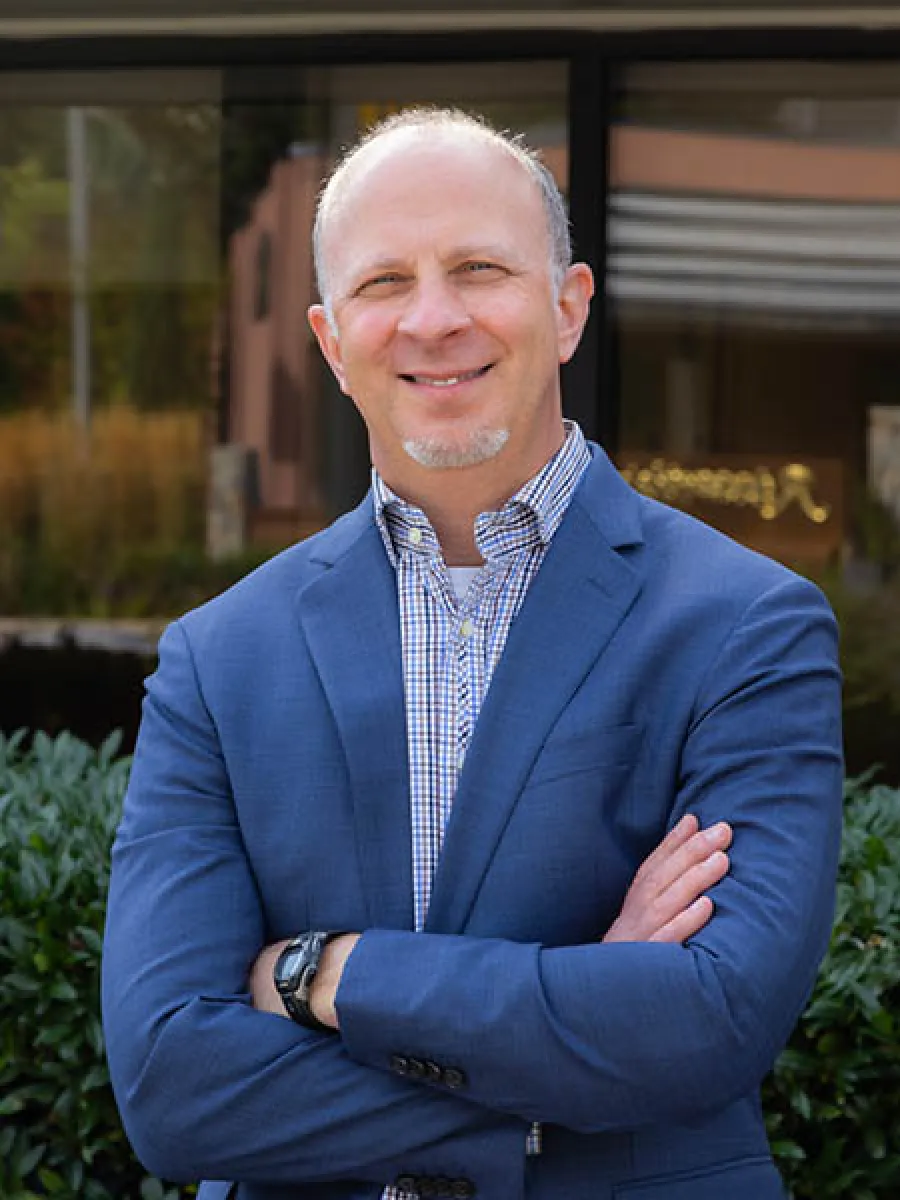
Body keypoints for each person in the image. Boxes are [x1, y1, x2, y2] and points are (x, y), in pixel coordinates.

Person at [102, 109, 843, 1200]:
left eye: (479, 269)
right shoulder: (221, 658)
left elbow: (710, 1022)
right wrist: (578, 1024)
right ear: (329, 341)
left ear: (568, 307)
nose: (433, 319)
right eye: (384, 283)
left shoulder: (748, 625)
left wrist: (321, 975)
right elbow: (173, 1086)